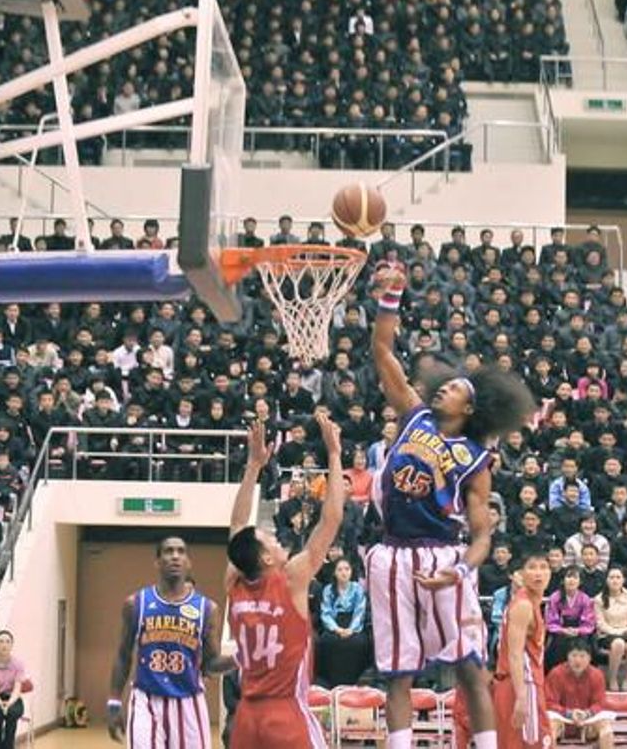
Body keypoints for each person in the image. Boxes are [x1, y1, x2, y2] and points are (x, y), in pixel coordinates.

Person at [370, 263, 536, 748]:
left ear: (470, 408)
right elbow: (383, 351)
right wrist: (391, 297)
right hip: (392, 553)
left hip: (443, 556)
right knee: (397, 672)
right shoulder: (414, 415)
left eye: (456, 387)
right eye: (445, 384)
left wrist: (462, 571)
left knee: (469, 665)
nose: (443, 386)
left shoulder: (476, 458)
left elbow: (483, 535)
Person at [225, 417, 346, 748]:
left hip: (246, 718)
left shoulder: (234, 582)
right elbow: (332, 518)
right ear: (266, 559)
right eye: (271, 541)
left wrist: (252, 467)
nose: (278, 540)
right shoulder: (292, 579)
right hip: (286, 714)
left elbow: (238, 524)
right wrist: (334, 455)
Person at [107, 534, 230, 747]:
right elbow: (123, 655)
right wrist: (114, 702)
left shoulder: (207, 609)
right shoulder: (136, 603)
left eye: (181, 552)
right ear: (157, 562)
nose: (175, 556)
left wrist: (241, 658)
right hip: (146, 699)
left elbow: (211, 664)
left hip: (189, 700)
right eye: (168, 551)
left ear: (188, 563)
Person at [493, 550, 553, 749]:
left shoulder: (530, 602)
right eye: (532, 567)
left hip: (521, 682)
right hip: (521, 684)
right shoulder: (523, 605)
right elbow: (515, 653)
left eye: (544, 567)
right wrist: (521, 696)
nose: (538, 573)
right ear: (520, 574)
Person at [545, 640, 613, 748]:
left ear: (589, 658)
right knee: (549, 729)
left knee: (607, 730)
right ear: (567, 657)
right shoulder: (556, 673)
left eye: (582, 656)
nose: (578, 660)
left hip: (588, 719)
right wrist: (569, 713)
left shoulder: (597, 675)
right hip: (562, 718)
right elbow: (549, 702)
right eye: (574, 655)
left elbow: (600, 703)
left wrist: (587, 713)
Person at [316, 557, 371, 686]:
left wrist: (351, 629)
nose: (343, 572)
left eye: (347, 569)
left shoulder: (357, 589)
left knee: (360, 642)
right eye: (340, 569)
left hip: (353, 624)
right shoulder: (328, 590)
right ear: (334, 573)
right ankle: (331, 682)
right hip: (334, 624)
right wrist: (337, 629)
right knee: (327, 641)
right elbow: (326, 612)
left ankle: (356, 681)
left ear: (351, 571)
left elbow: (360, 611)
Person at [594, 567, 627, 691]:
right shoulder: (599, 599)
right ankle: (613, 678)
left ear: (623, 580)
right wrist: (616, 632)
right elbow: (600, 623)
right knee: (618, 643)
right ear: (606, 580)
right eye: (611, 577)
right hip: (608, 634)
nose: (615, 580)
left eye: (618, 577)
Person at [0, 629, 27, 749]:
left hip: (13, 697)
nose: (4, 645)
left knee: (12, 713)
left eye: (8, 642)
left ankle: (9, 745)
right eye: (1, 641)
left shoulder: (18, 664)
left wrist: (8, 704)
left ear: (12, 645)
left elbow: (17, 689)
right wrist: (0, 703)